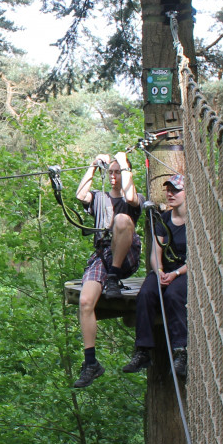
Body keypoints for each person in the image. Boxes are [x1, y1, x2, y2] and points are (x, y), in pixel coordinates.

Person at [72, 152, 142, 388]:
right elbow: (80, 194)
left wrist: (122, 162)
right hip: (102, 254)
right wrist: (93, 165)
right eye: (110, 172)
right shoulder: (99, 198)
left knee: (122, 220)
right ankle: (90, 362)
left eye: (117, 172)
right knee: (85, 301)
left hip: (127, 252)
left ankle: (113, 276)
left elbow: (131, 196)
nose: (113, 176)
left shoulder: (134, 197)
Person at [121, 173, 189, 379]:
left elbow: (197, 258)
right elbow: (155, 253)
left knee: (173, 296)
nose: (170, 194)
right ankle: (143, 350)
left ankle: (180, 351)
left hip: (186, 271)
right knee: (147, 293)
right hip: (164, 269)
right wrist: (159, 271)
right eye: (168, 190)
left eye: (176, 190)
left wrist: (175, 273)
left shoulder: (196, 222)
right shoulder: (164, 220)